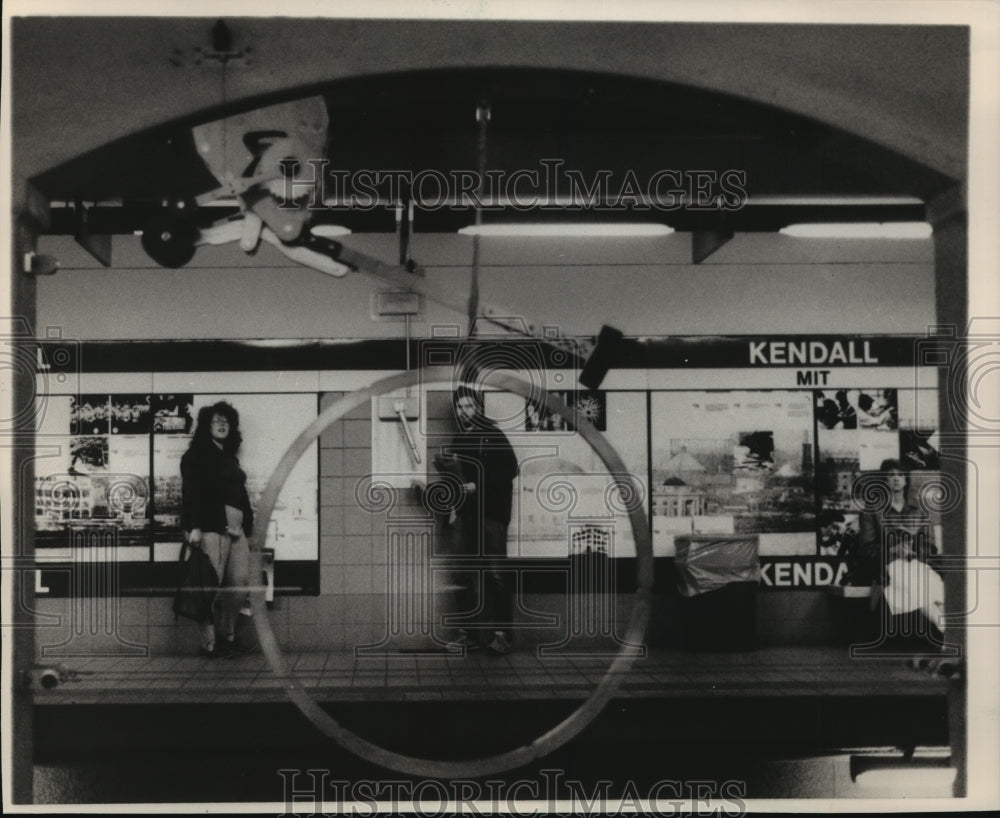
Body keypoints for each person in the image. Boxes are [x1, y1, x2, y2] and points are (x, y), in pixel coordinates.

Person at [436, 387, 520, 655]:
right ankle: (468, 636)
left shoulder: (493, 434)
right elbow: (456, 478)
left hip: (491, 515)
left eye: (468, 406)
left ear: (479, 408)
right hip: (464, 514)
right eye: (459, 407)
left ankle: (502, 636)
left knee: (496, 575)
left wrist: (477, 486)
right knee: (460, 574)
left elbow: (510, 469)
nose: (463, 411)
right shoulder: (459, 439)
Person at [180, 402, 255, 657]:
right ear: (205, 426)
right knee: (209, 585)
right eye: (216, 421)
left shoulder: (230, 457)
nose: (222, 424)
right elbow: (191, 493)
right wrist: (193, 527)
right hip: (211, 527)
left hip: (236, 530)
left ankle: (227, 634)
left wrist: (248, 524)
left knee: (240, 583)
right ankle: (208, 643)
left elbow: (240, 494)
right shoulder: (195, 456)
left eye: (226, 421)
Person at [857, 459, 944, 652]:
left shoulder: (919, 511)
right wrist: (891, 551)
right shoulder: (871, 511)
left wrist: (914, 552)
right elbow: (866, 549)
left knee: (931, 581)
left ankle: (945, 628)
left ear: (906, 480)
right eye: (891, 475)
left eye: (900, 475)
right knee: (910, 578)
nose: (896, 479)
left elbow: (930, 548)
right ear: (884, 480)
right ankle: (945, 629)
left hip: (916, 564)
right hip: (888, 566)